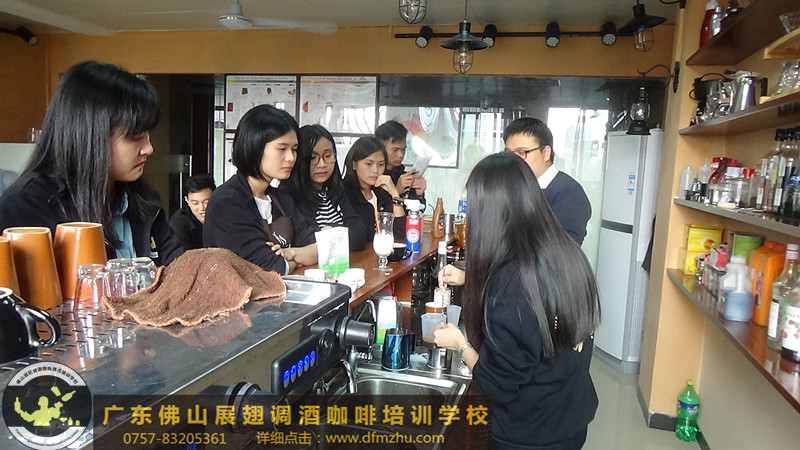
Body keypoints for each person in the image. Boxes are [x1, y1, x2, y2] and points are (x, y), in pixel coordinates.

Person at [434, 152, 600, 450]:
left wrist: (460, 344)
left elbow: (496, 385)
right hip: (570, 416)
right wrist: (470, 277)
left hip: (529, 434)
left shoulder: (513, 284)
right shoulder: (566, 251)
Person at [0, 60, 182, 266]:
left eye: (147, 135)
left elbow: (175, 269)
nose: (149, 149)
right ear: (91, 136)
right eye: (135, 137)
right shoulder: (26, 209)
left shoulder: (144, 202)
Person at [203, 105, 317, 274]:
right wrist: (296, 259)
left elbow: (321, 248)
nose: (291, 157)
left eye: (294, 149)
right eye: (282, 149)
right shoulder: (227, 202)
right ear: (254, 147)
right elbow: (270, 267)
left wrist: (291, 253)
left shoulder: (283, 199)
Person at [503, 117, 592, 245]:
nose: (513, 160)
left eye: (522, 153)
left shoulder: (568, 192)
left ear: (546, 152)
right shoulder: (513, 187)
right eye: (509, 154)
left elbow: (562, 249)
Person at [282, 124, 368, 251]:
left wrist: (328, 233)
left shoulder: (337, 191)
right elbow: (303, 239)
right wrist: (340, 233)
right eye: (313, 158)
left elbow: (360, 233)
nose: (322, 164)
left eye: (328, 156)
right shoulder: (287, 196)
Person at [342, 137, 406, 241]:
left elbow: (401, 234)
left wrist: (395, 194)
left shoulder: (382, 193)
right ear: (354, 165)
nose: (375, 170)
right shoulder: (344, 194)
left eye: (381, 164)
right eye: (369, 164)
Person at [375, 120, 426, 205]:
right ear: (381, 148)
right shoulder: (373, 177)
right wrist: (397, 190)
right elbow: (377, 210)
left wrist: (419, 194)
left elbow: (417, 210)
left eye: (403, 149)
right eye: (395, 150)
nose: (400, 155)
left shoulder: (405, 177)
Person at [169, 174, 216, 250]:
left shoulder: (224, 218)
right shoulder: (179, 222)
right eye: (195, 203)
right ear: (187, 200)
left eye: (206, 202)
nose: (202, 208)